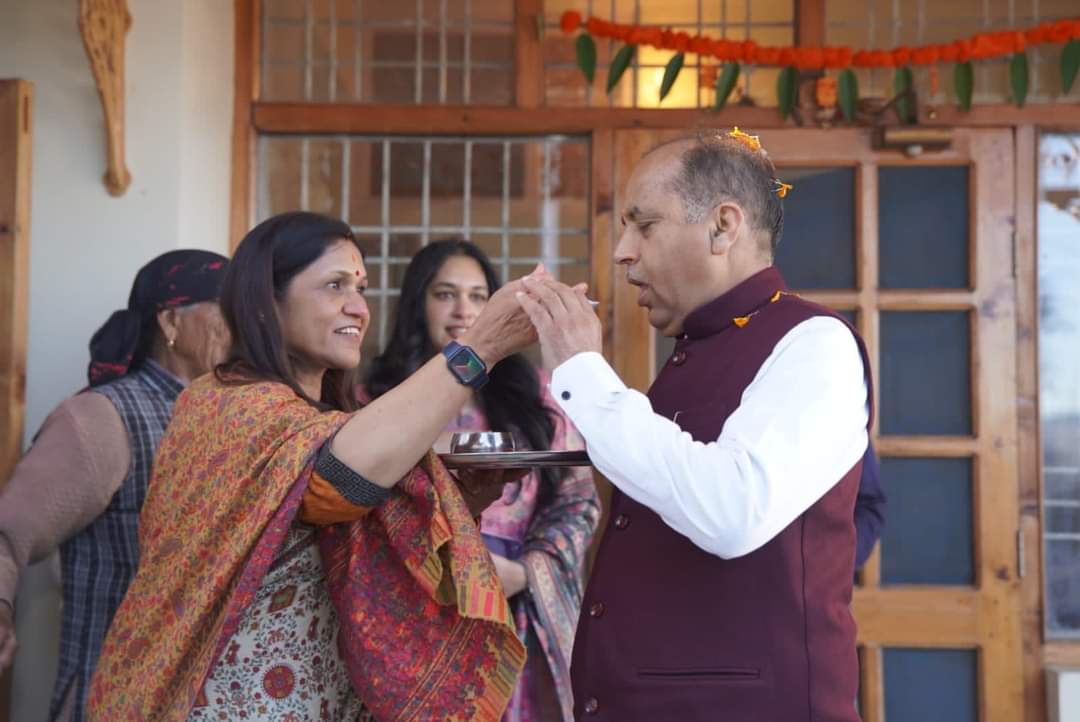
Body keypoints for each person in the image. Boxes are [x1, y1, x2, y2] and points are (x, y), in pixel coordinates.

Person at [86, 212, 546, 722]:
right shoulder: (227, 406)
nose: (357, 307)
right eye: (335, 286)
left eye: (362, 288)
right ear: (267, 303)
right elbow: (338, 487)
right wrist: (478, 349)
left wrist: (464, 500)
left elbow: (353, 522)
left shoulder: (319, 420)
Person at [517, 129, 873, 721]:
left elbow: (731, 513)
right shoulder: (694, 351)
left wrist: (584, 371)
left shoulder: (815, 342)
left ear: (722, 227)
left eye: (645, 226)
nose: (623, 251)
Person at [365, 240, 600, 722]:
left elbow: (577, 501)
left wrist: (527, 572)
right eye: (445, 294)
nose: (462, 310)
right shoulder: (377, 399)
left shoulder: (535, 395)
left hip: (515, 609)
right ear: (418, 303)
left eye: (477, 296)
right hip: (416, 609)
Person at [0, 249, 230, 722]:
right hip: (120, 703)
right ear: (170, 321)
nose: (246, 326)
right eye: (228, 309)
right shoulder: (100, 420)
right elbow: (8, 533)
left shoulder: (237, 413)